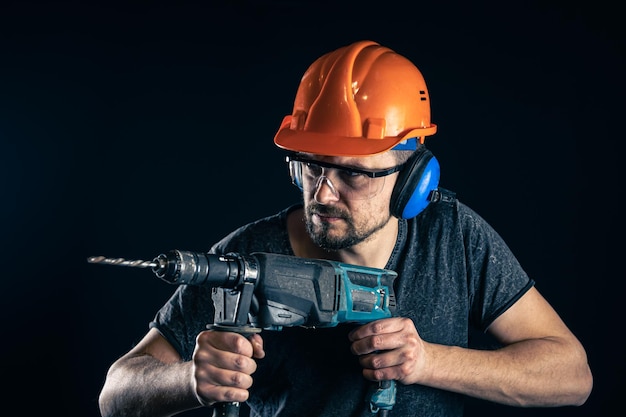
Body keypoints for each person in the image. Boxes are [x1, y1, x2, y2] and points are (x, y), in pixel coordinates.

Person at [98, 40, 592, 417]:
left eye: (353, 173)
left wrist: (428, 363)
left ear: (413, 181)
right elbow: (115, 393)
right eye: (311, 167)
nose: (323, 194)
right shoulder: (244, 260)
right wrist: (190, 380)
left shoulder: (455, 238)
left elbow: (572, 375)